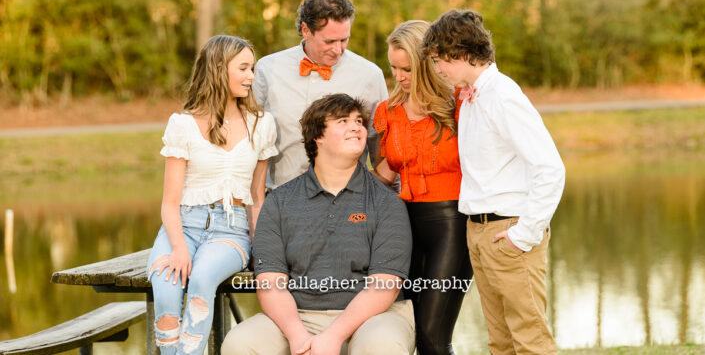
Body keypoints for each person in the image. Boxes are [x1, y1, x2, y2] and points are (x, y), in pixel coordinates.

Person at [221, 94, 415, 355]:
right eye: (343, 121)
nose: (356, 127)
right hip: (298, 315)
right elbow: (270, 282)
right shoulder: (279, 201)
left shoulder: (387, 202)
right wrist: (297, 336)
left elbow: (384, 286)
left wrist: (333, 336)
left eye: (359, 121)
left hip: (373, 317)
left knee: (382, 346)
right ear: (318, 137)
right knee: (240, 343)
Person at [422, 10, 565, 355]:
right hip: (480, 232)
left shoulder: (503, 96)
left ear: (463, 53)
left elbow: (550, 168)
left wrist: (524, 234)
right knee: (500, 342)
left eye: (440, 60)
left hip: (510, 232)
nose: (438, 69)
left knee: (530, 341)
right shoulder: (471, 96)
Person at [145, 35, 278, 354]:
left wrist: (260, 251)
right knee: (165, 287)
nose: (251, 77)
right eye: (243, 68)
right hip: (183, 226)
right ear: (219, 69)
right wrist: (178, 248)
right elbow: (170, 202)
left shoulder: (260, 125)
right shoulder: (183, 125)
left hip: (229, 231)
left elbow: (257, 197)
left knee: (202, 281)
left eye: (253, 68)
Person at [372, 20, 472, 355]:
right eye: (393, 67)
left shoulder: (459, 103)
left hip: (453, 225)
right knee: (415, 331)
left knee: (433, 334)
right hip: (404, 227)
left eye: (407, 69)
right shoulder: (388, 112)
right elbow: (383, 174)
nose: (398, 76)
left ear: (428, 65)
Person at [253, 0, 388, 189]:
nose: (338, 50)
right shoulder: (267, 69)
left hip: (346, 201)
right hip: (282, 198)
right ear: (306, 30)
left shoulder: (370, 75)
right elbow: (250, 140)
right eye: (330, 41)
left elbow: (383, 150)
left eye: (344, 40)